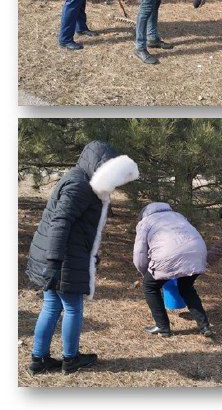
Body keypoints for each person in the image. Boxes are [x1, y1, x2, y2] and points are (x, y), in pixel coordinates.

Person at [25, 142, 139, 375]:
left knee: (52, 304)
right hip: (64, 257)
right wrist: (54, 262)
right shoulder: (80, 185)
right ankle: (70, 358)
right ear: (101, 166)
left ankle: (39, 359)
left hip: (64, 254)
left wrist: (89, 256)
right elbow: (60, 222)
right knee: (72, 307)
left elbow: (79, 227)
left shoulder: (80, 180)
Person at [133, 202, 212, 338]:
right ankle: (204, 326)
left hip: (168, 256)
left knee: (149, 286)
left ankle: (163, 327)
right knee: (186, 287)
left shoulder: (145, 222)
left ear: (143, 214)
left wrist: (145, 273)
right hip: (197, 252)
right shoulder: (178, 215)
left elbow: (140, 253)